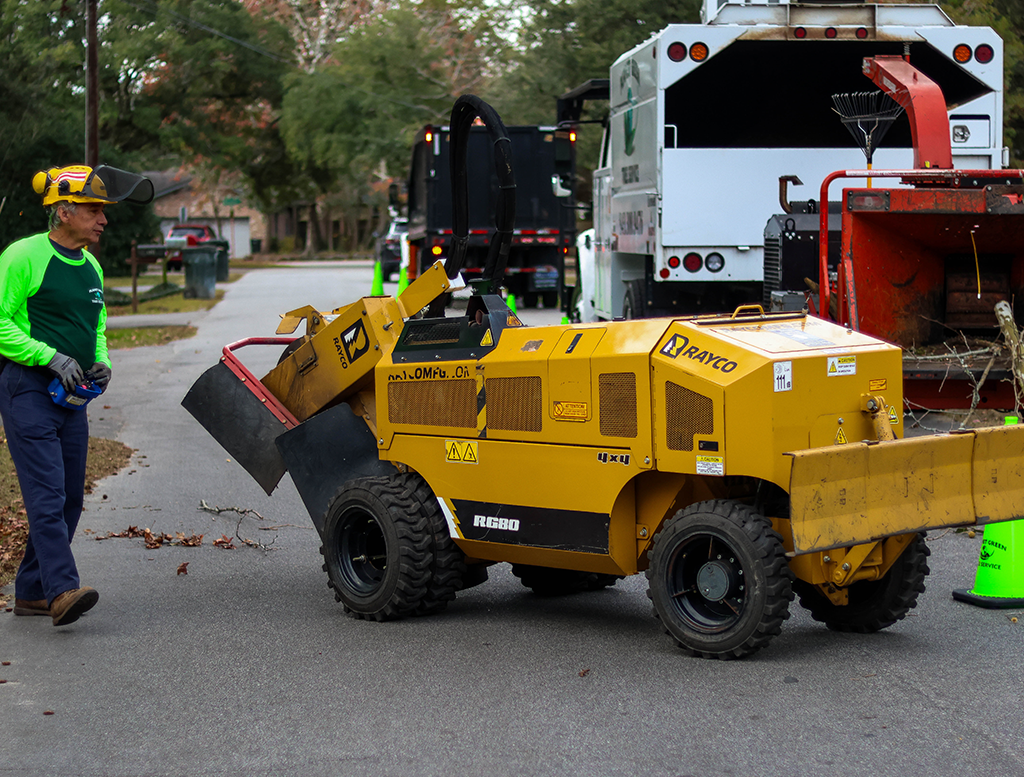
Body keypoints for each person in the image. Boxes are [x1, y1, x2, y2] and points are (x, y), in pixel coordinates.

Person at [0, 164, 153, 626]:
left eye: (103, 212)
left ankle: (29, 590)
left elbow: (97, 325)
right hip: (26, 389)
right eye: (93, 210)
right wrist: (48, 356)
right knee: (46, 496)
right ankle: (62, 590)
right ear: (63, 211)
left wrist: (101, 360)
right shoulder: (23, 256)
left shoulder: (91, 266)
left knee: (69, 498)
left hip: (71, 398)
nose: (103, 220)